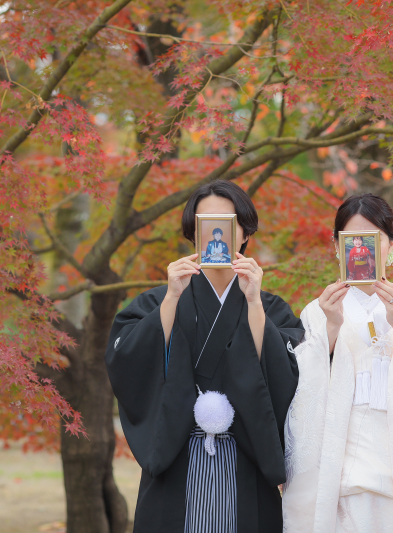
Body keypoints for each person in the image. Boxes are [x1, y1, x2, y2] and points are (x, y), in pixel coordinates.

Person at [105, 180, 303, 533]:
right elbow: (127, 360)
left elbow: (289, 374)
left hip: (244, 456)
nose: (217, 233)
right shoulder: (159, 301)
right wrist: (170, 300)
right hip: (177, 456)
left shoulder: (269, 306)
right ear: (194, 234)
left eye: (227, 223)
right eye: (205, 224)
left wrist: (254, 303)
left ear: (244, 233)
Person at [282, 193, 393, 533]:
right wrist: (332, 327)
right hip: (341, 459)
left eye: (372, 239)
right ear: (337, 247)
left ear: (391, 245)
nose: (360, 249)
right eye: (350, 241)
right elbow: (299, 385)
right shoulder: (318, 310)